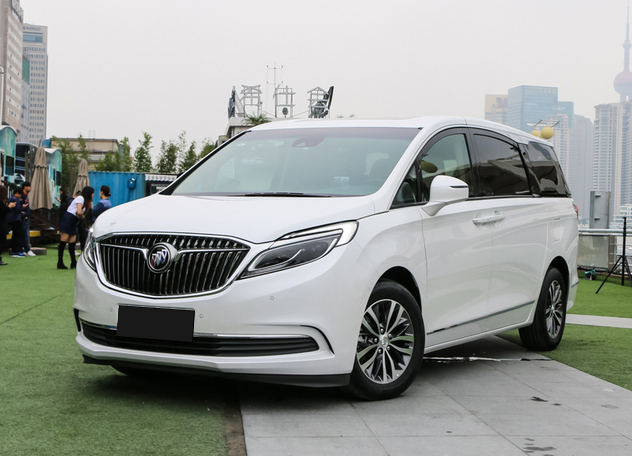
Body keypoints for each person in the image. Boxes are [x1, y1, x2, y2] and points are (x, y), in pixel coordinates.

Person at [57, 186, 94, 269]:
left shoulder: (85, 201)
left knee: (72, 242)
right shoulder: (81, 198)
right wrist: (83, 218)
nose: (93, 195)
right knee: (63, 241)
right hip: (68, 219)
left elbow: (79, 213)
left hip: (74, 221)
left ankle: (73, 262)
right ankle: (60, 262)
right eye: (92, 193)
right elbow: (78, 212)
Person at [0, 185, 16, 266]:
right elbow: (3, 212)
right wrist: (9, 207)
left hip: (2, 224)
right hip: (1, 225)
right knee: (1, 241)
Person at [7, 187, 24, 258]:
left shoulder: (10, 199)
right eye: (20, 194)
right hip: (16, 219)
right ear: (16, 193)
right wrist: (23, 207)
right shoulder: (15, 199)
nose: (20, 196)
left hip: (11, 219)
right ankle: (16, 251)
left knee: (15, 235)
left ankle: (14, 250)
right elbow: (18, 209)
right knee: (17, 235)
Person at [20, 181, 35, 256]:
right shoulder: (22, 196)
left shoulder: (26, 196)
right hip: (23, 217)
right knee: (25, 234)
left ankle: (24, 248)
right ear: (25, 187)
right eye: (29, 186)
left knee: (25, 233)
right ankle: (26, 249)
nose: (30, 188)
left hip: (26, 217)